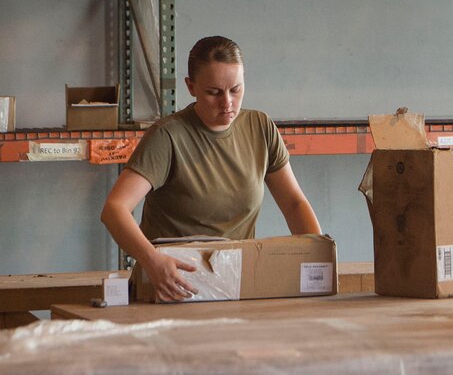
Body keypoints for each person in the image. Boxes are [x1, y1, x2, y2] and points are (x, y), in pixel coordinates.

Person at [101, 35, 321, 303]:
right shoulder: (167, 137)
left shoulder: (260, 128)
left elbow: (294, 204)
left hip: (238, 283)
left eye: (235, 90)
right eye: (214, 92)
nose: (227, 103)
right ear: (191, 87)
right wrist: (152, 261)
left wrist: (317, 259)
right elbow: (114, 209)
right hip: (171, 285)